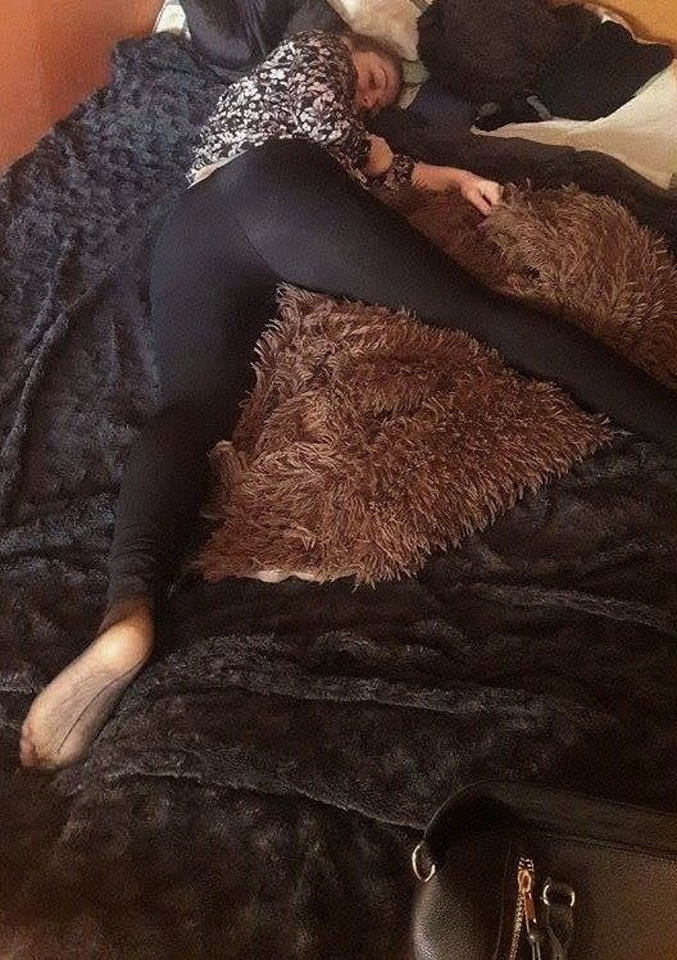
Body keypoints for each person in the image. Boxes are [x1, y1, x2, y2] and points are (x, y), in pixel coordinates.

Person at [20, 32, 677, 770]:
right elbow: (335, 131)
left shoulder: (282, 120)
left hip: (192, 229)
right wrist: (374, 144)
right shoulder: (316, 51)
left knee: (191, 407)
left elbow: (382, 160)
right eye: (371, 78)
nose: (369, 97)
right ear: (348, 49)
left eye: (379, 97)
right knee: (483, 313)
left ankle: (128, 607)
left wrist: (449, 175)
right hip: (278, 186)